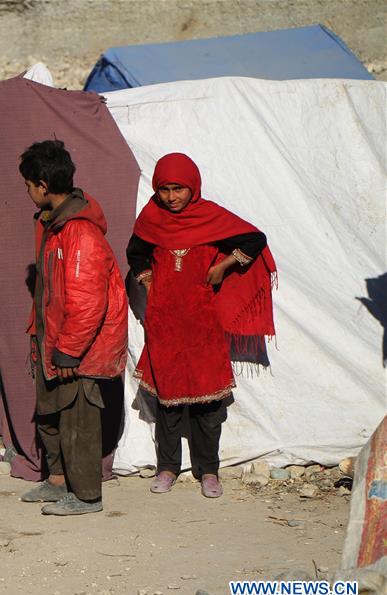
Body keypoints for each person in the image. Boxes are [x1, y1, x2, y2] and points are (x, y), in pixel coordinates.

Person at [127, 152, 276, 498]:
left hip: (203, 323)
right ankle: (167, 468)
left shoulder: (210, 217)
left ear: (192, 186)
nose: (171, 197)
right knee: (168, 401)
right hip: (165, 322)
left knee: (208, 404)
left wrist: (224, 266)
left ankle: (208, 470)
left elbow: (254, 239)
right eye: (164, 189)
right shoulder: (152, 218)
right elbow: (135, 253)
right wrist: (149, 281)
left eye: (178, 189)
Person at [18, 140, 128, 516]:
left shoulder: (79, 233)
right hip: (54, 339)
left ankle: (86, 496)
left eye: (28, 185)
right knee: (50, 413)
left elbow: (86, 302)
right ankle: (57, 481)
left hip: (75, 349)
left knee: (77, 418)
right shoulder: (55, 227)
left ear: (43, 186)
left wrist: (68, 350)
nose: (28, 193)